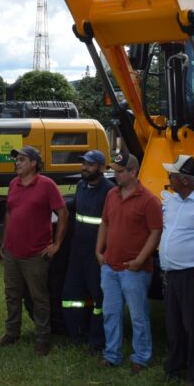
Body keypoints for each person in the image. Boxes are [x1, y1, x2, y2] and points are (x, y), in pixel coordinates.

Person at [0, 145, 68, 356]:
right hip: (12, 251)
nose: (17, 163)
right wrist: (4, 240)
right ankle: (12, 332)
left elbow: (63, 214)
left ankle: (42, 337)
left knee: (39, 298)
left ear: (34, 163)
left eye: (21, 159)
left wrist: (56, 244)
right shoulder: (13, 184)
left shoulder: (47, 185)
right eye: (16, 159)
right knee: (12, 294)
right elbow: (10, 212)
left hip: (36, 254)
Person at [96, 152, 162, 372]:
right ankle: (112, 354)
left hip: (134, 269)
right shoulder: (111, 195)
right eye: (114, 171)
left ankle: (141, 357)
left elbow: (155, 232)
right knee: (111, 312)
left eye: (120, 171)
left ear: (133, 172)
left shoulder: (149, 200)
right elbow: (104, 222)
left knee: (138, 315)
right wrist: (99, 251)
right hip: (110, 266)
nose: (115, 175)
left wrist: (140, 260)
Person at [159, 154, 194, 386]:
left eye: (172, 175)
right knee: (174, 324)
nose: (168, 177)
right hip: (172, 273)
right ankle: (176, 366)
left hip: (193, 274)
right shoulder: (173, 201)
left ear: (184, 180)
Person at [61, 149, 115, 354]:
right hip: (77, 251)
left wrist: (102, 251)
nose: (85, 168)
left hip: (96, 253)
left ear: (101, 168)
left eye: (90, 165)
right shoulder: (81, 186)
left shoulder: (109, 191)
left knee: (98, 298)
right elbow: (74, 207)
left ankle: (97, 341)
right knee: (70, 296)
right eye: (84, 164)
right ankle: (76, 335)